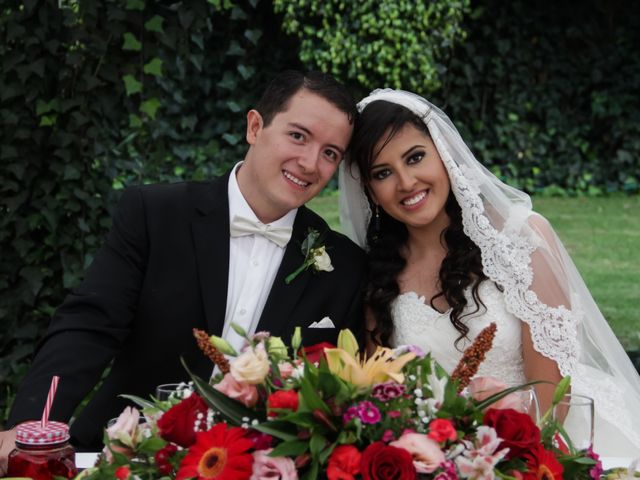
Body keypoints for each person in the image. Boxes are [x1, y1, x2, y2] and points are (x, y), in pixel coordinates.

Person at [0, 70, 366, 471]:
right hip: (125, 456)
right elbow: (89, 325)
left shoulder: (342, 265)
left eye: (331, 152)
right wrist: (31, 428)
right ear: (255, 126)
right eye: (298, 136)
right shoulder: (154, 216)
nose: (310, 163)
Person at [339, 88, 640, 456]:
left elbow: (552, 396)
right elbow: (383, 398)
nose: (406, 182)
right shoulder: (378, 275)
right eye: (383, 172)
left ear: (443, 154)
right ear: (369, 189)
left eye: (415, 157)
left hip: (541, 445)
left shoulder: (520, 239)